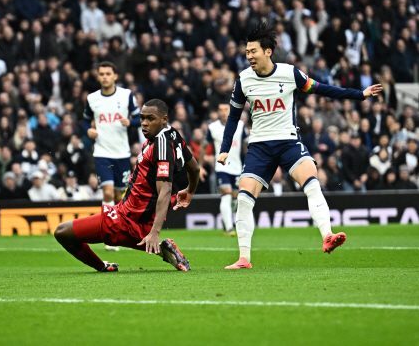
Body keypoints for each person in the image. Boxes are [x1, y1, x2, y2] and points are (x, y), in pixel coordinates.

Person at [218, 22, 382, 269]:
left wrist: (359, 94)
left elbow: (322, 89)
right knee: (243, 198)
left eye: (253, 51)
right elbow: (233, 117)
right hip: (260, 146)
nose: (249, 56)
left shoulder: (289, 73)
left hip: (287, 140)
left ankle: (327, 235)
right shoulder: (243, 80)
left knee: (312, 181)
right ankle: (244, 258)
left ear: (267, 51)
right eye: (247, 52)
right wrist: (224, 148)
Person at [54, 99, 200, 272]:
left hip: (128, 218)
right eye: (142, 118)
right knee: (130, 236)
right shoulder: (172, 134)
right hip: (132, 212)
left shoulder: (161, 147)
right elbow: (195, 168)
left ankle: (103, 266)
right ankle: (163, 249)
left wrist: (155, 232)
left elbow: (166, 190)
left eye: (150, 119)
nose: (144, 123)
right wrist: (190, 190)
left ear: (164, 119)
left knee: (62, 232)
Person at [82, 61, 140, 251]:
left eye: (108, 73)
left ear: (115, 76)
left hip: (122, 154)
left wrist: (130, 122)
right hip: (101, 153)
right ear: (98, 76)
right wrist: (88, 131)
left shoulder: (126, 95)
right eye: (101, 74)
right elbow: (84, 122)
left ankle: (118, 233)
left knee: (117, 196)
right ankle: (109, 236)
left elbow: (140, 118)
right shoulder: (92, 99)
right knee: (107, 192)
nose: (105, 77)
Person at [202, 102, 248, 236]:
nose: (223, 112)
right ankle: (228, 228)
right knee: (226, 196)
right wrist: (200, 164)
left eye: (226, 109)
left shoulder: (240, 125)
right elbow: (204, 145)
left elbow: (246, 144)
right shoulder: (213, 127)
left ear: (230, 110)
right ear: (217, 112)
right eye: (220, 109)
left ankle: (226, 220)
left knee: (234, 201)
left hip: (237, 167)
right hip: (221, 167)